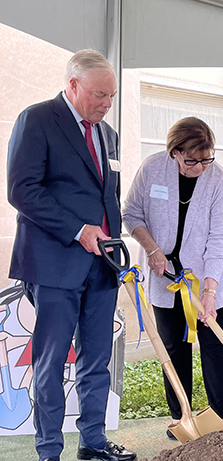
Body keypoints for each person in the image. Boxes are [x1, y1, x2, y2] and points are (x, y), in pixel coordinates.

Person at [7, 50, 136, 461]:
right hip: (54, 263)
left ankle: (93, 444)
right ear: (73, 85)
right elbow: (22, 190)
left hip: (102, 265)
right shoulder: (38, 119)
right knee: (50, 363)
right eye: (100, 94)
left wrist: (115, 243)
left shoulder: (108, 135)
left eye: (112, 96)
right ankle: (49, 451)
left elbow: (107, 197)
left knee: (97, 360)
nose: (107, 103)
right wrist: (79, 230)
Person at [122, 117, 223, 435]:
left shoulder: (218, 179)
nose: (200, 166)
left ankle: (221, 416)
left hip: (211, 278)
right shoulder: (151, 169)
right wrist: (151, 248)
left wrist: (210, 290)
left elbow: (220, 238)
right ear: (174, 152)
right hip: (164, 275)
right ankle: (181, 416)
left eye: (206, 159)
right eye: (192, 160)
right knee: (174, 346)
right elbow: (131, 213)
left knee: (215, 345)